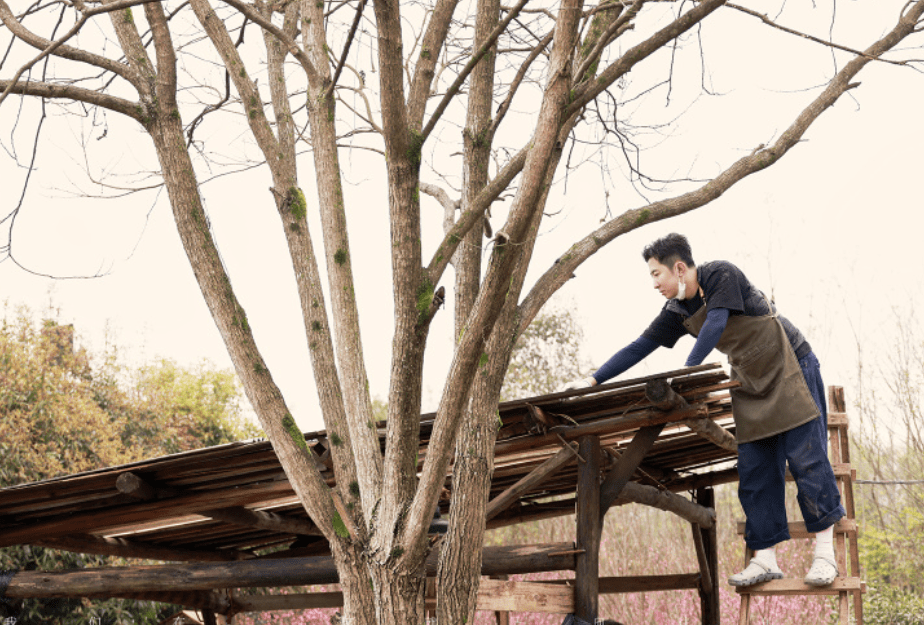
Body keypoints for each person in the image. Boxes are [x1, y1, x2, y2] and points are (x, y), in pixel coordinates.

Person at [560, 233, 845, 587]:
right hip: (749, 383)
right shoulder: (676, 311)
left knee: (808, 460)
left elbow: (715, 323)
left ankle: (825, 557)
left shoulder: (720, 275)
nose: (653, 284)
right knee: (755, 470)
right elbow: (639, 347)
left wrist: (686, 372)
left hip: (793, 367)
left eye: (655, 274)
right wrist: (592, 380)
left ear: (679, 268)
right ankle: (766, 558)